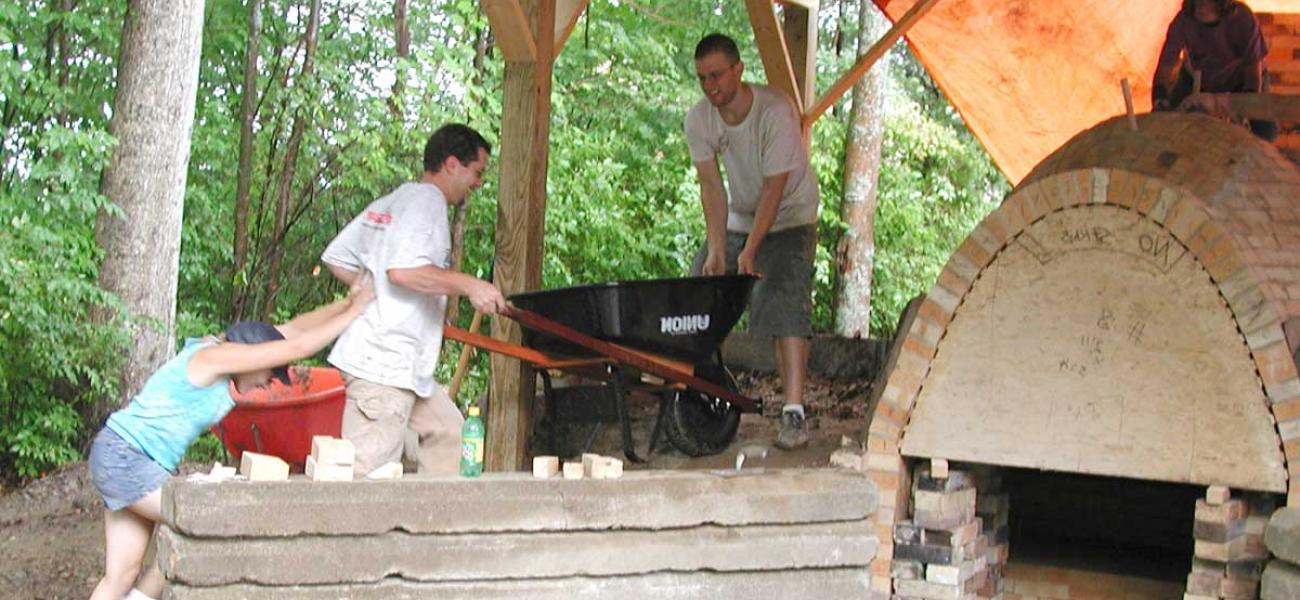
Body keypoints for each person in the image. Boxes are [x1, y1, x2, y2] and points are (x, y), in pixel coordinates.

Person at [88, 275, 374, 600]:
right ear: (249, 356)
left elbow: (292, 330)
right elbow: (297, 346)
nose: (268, 384)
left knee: (121, 575)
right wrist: (357, 312)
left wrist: (346, 303)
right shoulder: (215, 358)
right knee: (197, 519)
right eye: (269, 374)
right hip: (126, 457)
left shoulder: (222, 356)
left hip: (130, 458)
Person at [321, 123, 506, 478]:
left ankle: (437, 527)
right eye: (477, 172)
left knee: (450, 434)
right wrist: (470, 285)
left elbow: (338, 257)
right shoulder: (426, 202)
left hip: (406, 369)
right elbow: (402, 272)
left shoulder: (395, 201)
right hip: (382, 369)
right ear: (452, 164)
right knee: (368, 478)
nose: (479, 182)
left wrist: (377, 296)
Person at [684, 33, 819, 450]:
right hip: (741, 216)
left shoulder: (776, 111)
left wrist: (750, 250)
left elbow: (774, 191)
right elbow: (711, 188)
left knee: (782, 299)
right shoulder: (699, 119)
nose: (711, 87)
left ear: (738, 71)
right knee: (700, 291)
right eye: (703, 78)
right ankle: (701, 392)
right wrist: (719, 248)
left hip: (790, 215)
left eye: (718, 76)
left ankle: (793, 412)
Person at [1152, 0, 1276, 140]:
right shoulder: (1184, 21)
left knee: (1264, 132)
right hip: (1198, 79)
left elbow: (1252, 75)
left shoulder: (1243, 19)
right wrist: (1160, 98)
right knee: (1169, 126)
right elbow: (1166, 66)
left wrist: (1242, 108)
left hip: (1240, 82)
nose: (1201, 5)